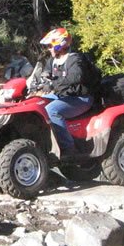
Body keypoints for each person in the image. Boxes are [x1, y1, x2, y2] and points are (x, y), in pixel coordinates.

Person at [39, 27, 95, 161]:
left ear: (60, 44)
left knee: (51, 110)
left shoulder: (75, 59)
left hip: (80, 98)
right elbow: (45, 73)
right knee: (37, 103)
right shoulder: (53, 60)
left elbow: (75, 78)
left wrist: (53, 84)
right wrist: (43, 79)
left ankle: (68, 149)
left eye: (50, 46)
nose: (48, 49)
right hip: (62, 95)